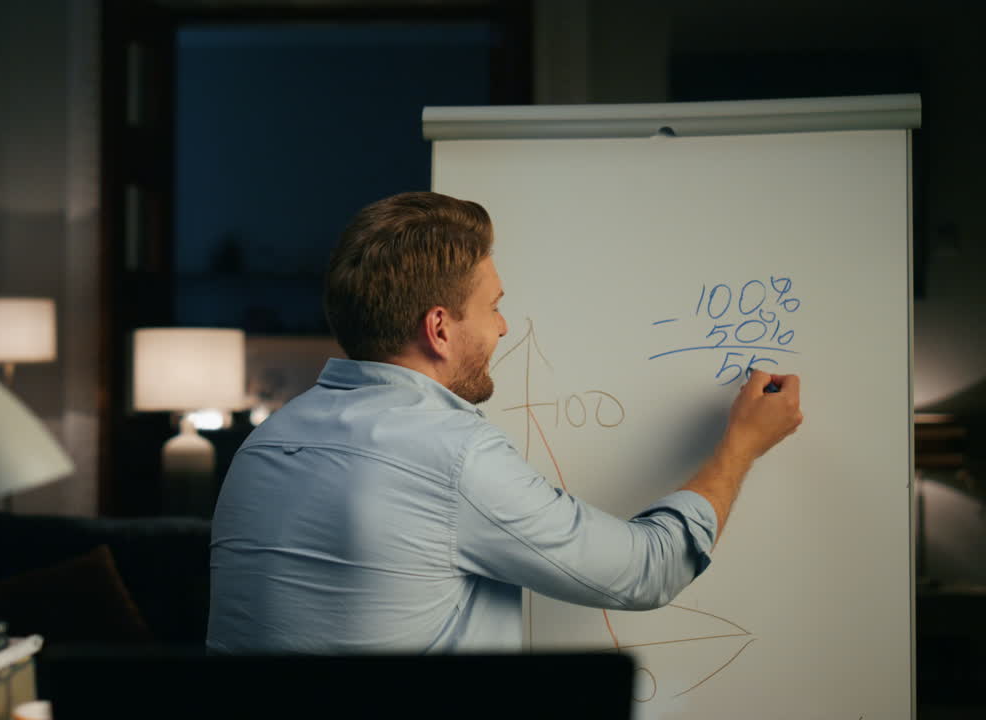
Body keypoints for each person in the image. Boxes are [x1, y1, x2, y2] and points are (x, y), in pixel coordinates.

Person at [206, 191, 803, 654]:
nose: (503, 327)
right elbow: (647, 571)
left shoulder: (264, 444)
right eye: (492, 306)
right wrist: (741, 446)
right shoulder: (449, 456)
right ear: (439, 328)